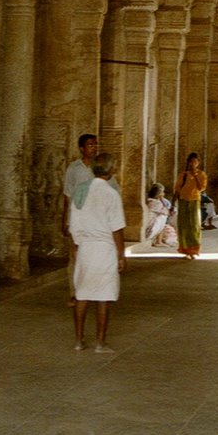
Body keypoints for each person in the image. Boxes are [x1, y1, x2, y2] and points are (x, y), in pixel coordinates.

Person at [69, 152, 127, 353]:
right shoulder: (111, 194)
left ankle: (78, 340)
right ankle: (100, 343)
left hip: (86, 247)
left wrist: (77, 245)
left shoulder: (80, 192)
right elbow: (117, 228)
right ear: (111, 170)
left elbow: (74, 224)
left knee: (82, 294)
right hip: (105, 249)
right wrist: (121, 254)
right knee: (104, 297)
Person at [62, 132, 98, 305]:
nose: (94, 148)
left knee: (92, 255)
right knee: (75, 256)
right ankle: (74, 292)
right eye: (90, 145)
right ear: (82, 148)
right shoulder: (73, 168)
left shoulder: (100, 168)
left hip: (95, 219)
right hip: (77, 217)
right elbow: (67, 194)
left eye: (95, 144)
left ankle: (90, 290)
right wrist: (65, 219)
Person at [172, 152, 208, 258]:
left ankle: (194, 250)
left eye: (195, 161)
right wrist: (172, 203)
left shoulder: (202, 174)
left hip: (194, 201)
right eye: (191, 161)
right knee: (183, 226)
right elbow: (177, 189)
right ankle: (185, 250)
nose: (193, 163)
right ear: (188, 162)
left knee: (194, 225)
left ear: (198, 163)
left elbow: (201, 188)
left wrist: (195, 175)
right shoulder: (183, 175)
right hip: (183, 201)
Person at [145, 183, 178, 247]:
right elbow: (167, 212)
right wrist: (161, 199)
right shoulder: (156, 203)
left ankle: (159, 241)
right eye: (162, 192)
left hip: (150, 227)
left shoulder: (151, 200)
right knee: (163, 217)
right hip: (149, 231)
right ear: (159, 194)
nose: (164, 194)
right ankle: (158, 241)